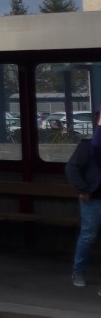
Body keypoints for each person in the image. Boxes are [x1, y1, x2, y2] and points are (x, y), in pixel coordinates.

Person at [65, 108, 101, 290]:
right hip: (93, 198)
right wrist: (83, 189)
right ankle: (77, 271)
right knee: (88, 235)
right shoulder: (88, 146)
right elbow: (72, 168)